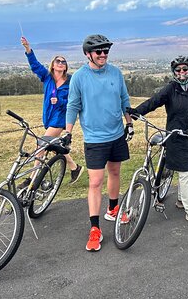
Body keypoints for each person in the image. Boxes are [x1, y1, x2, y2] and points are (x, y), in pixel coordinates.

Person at [65, 34, 134, 252]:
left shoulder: (115, 72)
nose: (103, 55)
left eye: (106, 51)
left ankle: (113, 209)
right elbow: (73, 106)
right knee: (95, 182)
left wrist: (129, 122)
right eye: (99, 52)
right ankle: (95, 228)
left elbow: (124, 99)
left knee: (115, 173)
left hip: (116, 135)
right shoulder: (79, 77)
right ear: (88, 54)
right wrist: (68, 133)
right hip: (94, 139)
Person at [127, 56, 188, 227]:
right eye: (178, 70)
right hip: (174, 137)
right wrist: (137, 111)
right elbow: (154, 101)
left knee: (185, 169)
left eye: (185, 69)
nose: (182, 73)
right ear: (174, 73)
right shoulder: (170, 89)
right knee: (185, 173)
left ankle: (181, 201)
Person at [19, 36, 82, 189]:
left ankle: (32, 179)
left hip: (61, 118)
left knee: (42, 145)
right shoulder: (47, 78)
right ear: (53, 65)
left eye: (63, 62)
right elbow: (35, 65)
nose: (61, 63)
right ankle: (75, 168)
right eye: (58, 61)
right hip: (49, 116)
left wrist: (60, 101)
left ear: (66, 66)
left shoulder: (71, 81)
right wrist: (28, 49)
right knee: (53, 145)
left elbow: (75, 101)